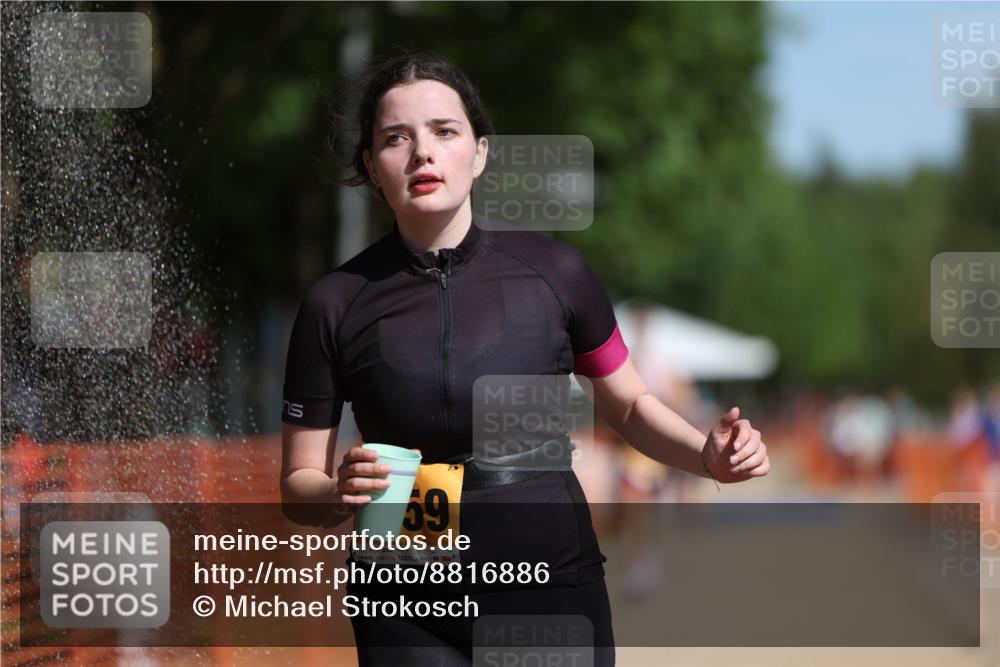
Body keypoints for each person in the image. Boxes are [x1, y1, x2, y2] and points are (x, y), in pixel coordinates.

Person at [279, 51, 771, 667]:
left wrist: (707, 457)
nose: (422, 153)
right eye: (395, 138)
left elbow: (630, 405)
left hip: (545, 572)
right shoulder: (335, 301)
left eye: (444, 131)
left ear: (480, 152)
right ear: (371, 167)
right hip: (404, 584)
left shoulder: (557, 273)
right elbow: (298, 485)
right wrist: (336, 494)